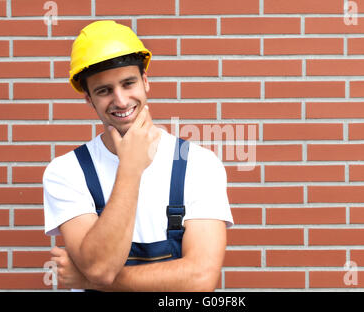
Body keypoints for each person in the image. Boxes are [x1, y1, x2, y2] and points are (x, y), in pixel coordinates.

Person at [42, 20, 233, 291]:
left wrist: (87, 280)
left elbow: (200, 280)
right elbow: (101, 267)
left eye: (128, 83)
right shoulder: (66, 172)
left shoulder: (199, 165)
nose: (120, 100)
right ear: (88, 98)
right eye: (104, 90)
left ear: (145, 81)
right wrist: (130, 168)